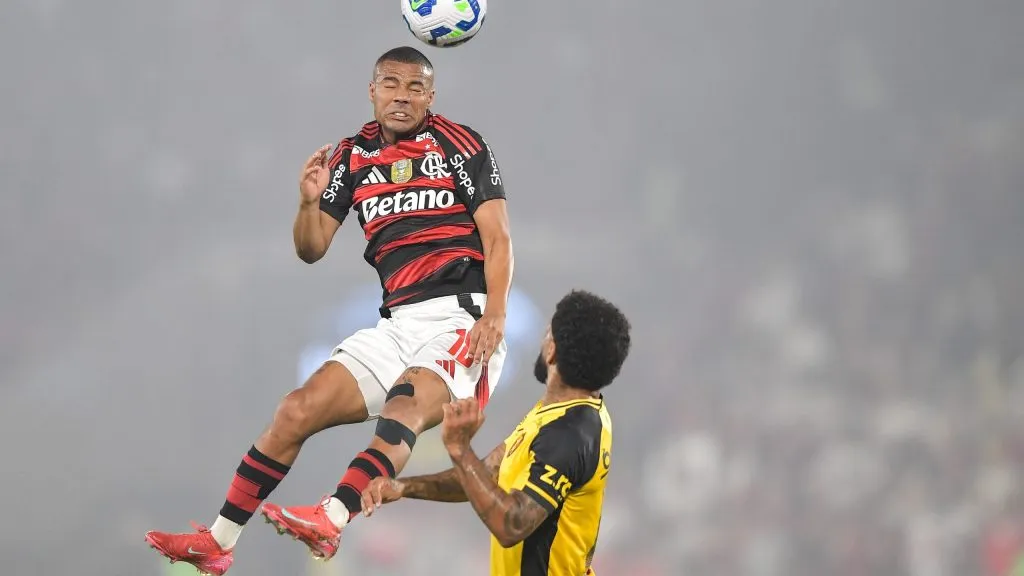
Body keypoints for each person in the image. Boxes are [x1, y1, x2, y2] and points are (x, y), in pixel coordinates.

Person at [145, 46, 513, 575]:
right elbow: (311, 248)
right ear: (371, 90)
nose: (401, 96)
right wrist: (306, 204)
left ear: (430, 96)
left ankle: (332, 518)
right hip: (397, 322)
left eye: (415, 87)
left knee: (405, 404)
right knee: (297, 408)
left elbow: (498, 238)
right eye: (390, 84)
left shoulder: (461, 144)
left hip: (461, 318)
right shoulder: (350, 156)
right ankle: (218, 542)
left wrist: (495, 314)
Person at [360, 290, 630, 576]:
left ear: (553, 351)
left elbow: (512, 525)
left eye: (548, 333)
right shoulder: (563, 414)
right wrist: (404, 487)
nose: (543, 339)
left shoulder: (570, 433)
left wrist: (460, 449)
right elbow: (485, 475)